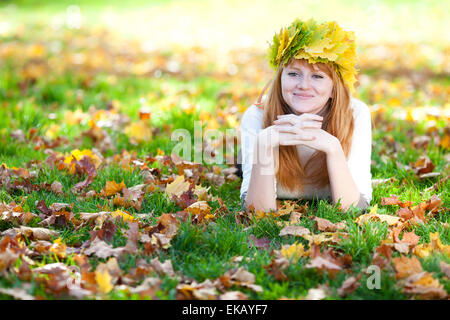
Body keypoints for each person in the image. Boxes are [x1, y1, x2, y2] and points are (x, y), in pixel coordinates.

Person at [239, 19, 372, 212]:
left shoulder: (355, 114)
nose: (303, 85)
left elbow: (353, 208)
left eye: (317, 76)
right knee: (244, 158)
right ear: (280, 79)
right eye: (294, 74)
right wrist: (263, 144)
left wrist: (333, 148)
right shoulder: (257, 115)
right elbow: (258, 211)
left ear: (334, 89)